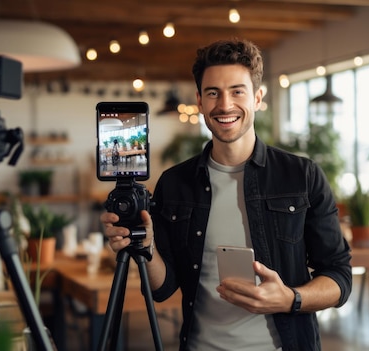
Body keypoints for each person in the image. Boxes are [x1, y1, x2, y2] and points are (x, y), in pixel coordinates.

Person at [101, 38, 352, 351]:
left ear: (258, 97)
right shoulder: (175, 183)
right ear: (199, 101)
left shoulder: (301, 176)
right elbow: (162, 288)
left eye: (237, 91)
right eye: (213, 93)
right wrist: (146, 245)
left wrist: (290, 298)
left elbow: (340, 277)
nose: (224, 105)